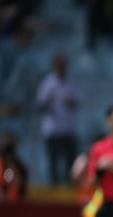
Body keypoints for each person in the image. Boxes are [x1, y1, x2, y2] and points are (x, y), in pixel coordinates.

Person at [36, 54, 81, 185]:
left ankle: (69, 186)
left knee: (69, 160)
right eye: (59, 65)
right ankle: (53, 188)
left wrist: (70, 101)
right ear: (55, 66)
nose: (61, 67)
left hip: (67, 128)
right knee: (53, 161)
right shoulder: (47, 83)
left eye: (63, 65)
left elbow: (78, 101)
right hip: (52, 129)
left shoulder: (71, 82)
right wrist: (48, 101)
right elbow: (40, 104)